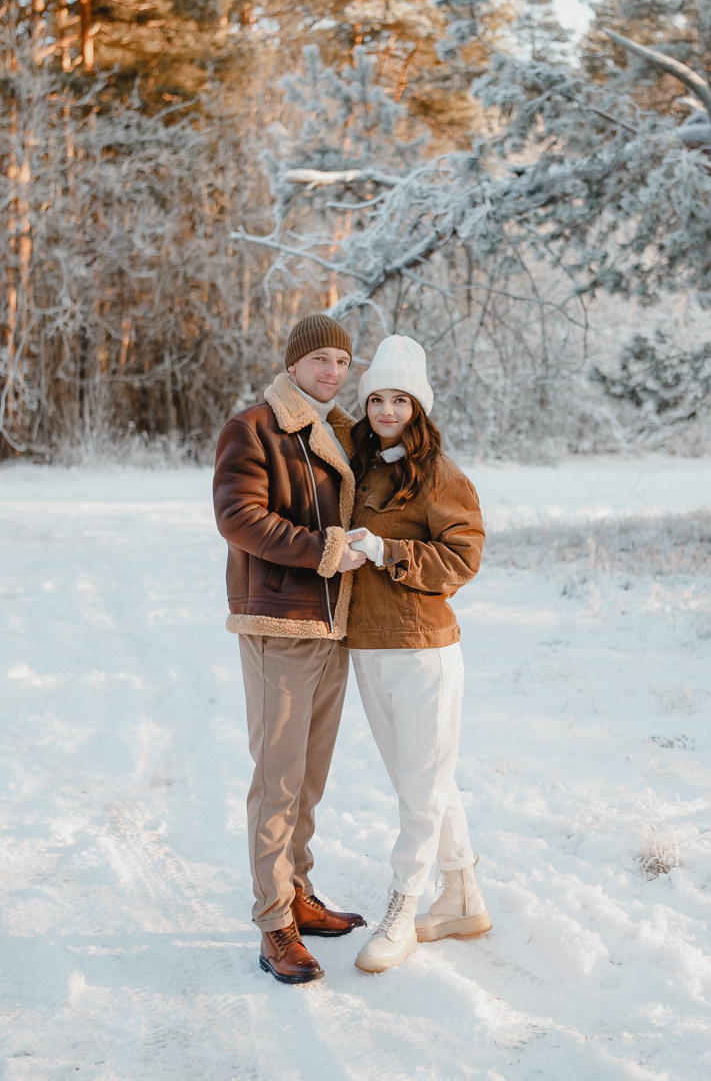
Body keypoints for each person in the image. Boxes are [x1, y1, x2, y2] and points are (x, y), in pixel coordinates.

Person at [213, 313, 369, 986]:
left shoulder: (333, 431)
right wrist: (328, 552)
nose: (332, 372)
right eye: (321, 361)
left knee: (307, 778)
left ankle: (298, 892)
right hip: (280, 623)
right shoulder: (254, 427)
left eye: (341, 361)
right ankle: (273, 919)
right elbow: (239, 517)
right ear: (295, 363)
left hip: (330, 625)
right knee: (277, 780)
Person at [346, 334, 492, 973]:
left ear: (418, 407)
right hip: (366, 645)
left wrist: (386, 551)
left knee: (419, 789)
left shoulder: (438, 474)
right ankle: (461, 896)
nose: (384, 410)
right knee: (422, 782)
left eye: (398, 399)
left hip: (423, 650)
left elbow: (465, 557)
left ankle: (404, 908)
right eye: (376, 397)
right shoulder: (358, 463)